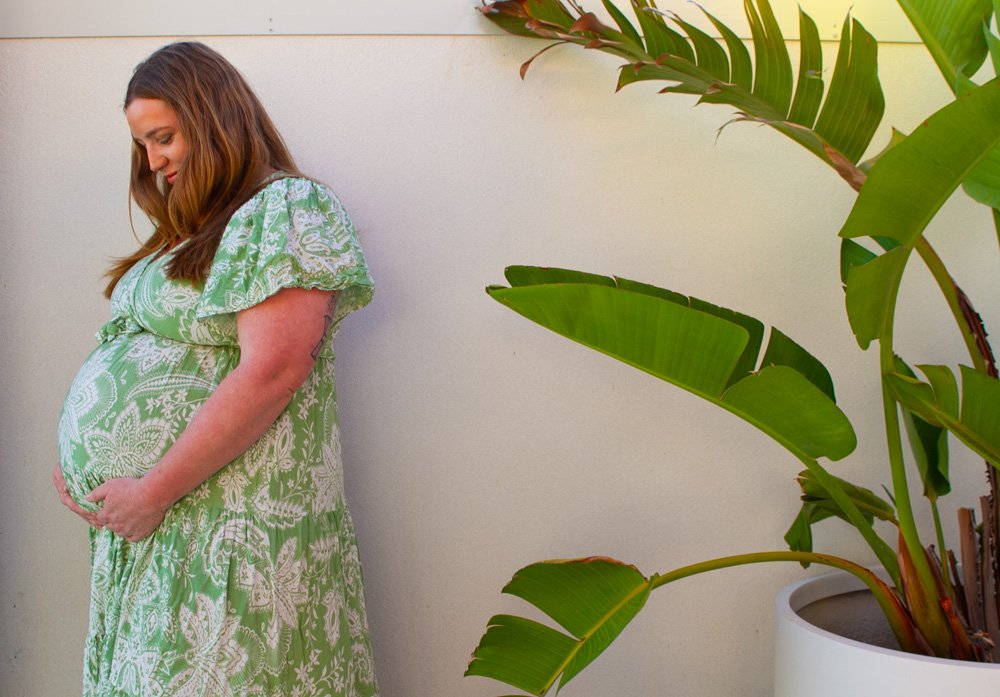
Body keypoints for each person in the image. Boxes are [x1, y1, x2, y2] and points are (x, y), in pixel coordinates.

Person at [51, 41, 379, 696]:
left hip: (229, 527)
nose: (153, 160)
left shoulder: (286, 209)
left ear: (213, 118)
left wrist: (151, 491)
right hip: (163, 530)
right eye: (143, 144)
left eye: (164, 137)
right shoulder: (196, 227)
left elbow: (274, 370)